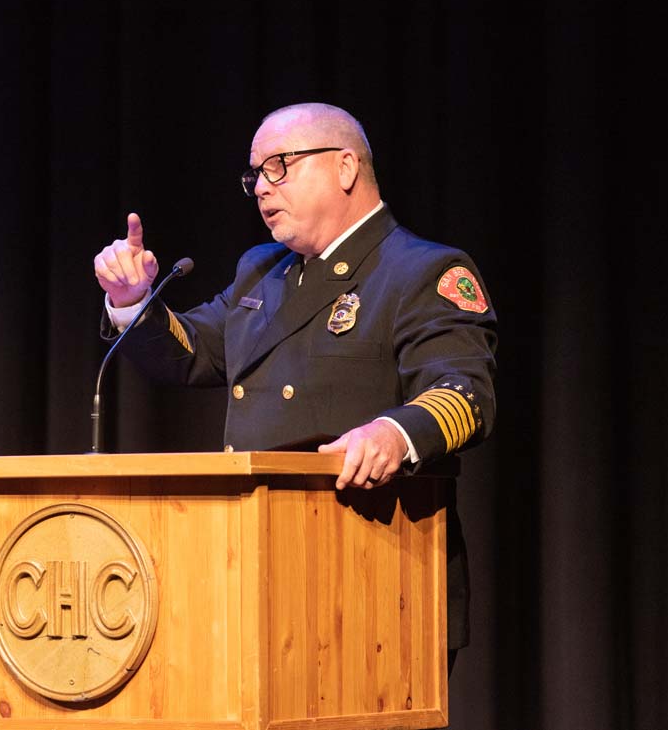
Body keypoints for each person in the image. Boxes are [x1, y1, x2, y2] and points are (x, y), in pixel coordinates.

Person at [93, 102, 497, 662]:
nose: (261, 187)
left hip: (371, 577)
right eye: (255, 174)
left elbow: (464, 394)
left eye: (278, 166)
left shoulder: (422, 270)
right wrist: (132, 300)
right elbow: (192, 352)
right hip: (255, 568)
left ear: (346, 168)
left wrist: (391, 434)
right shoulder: (262, 269)